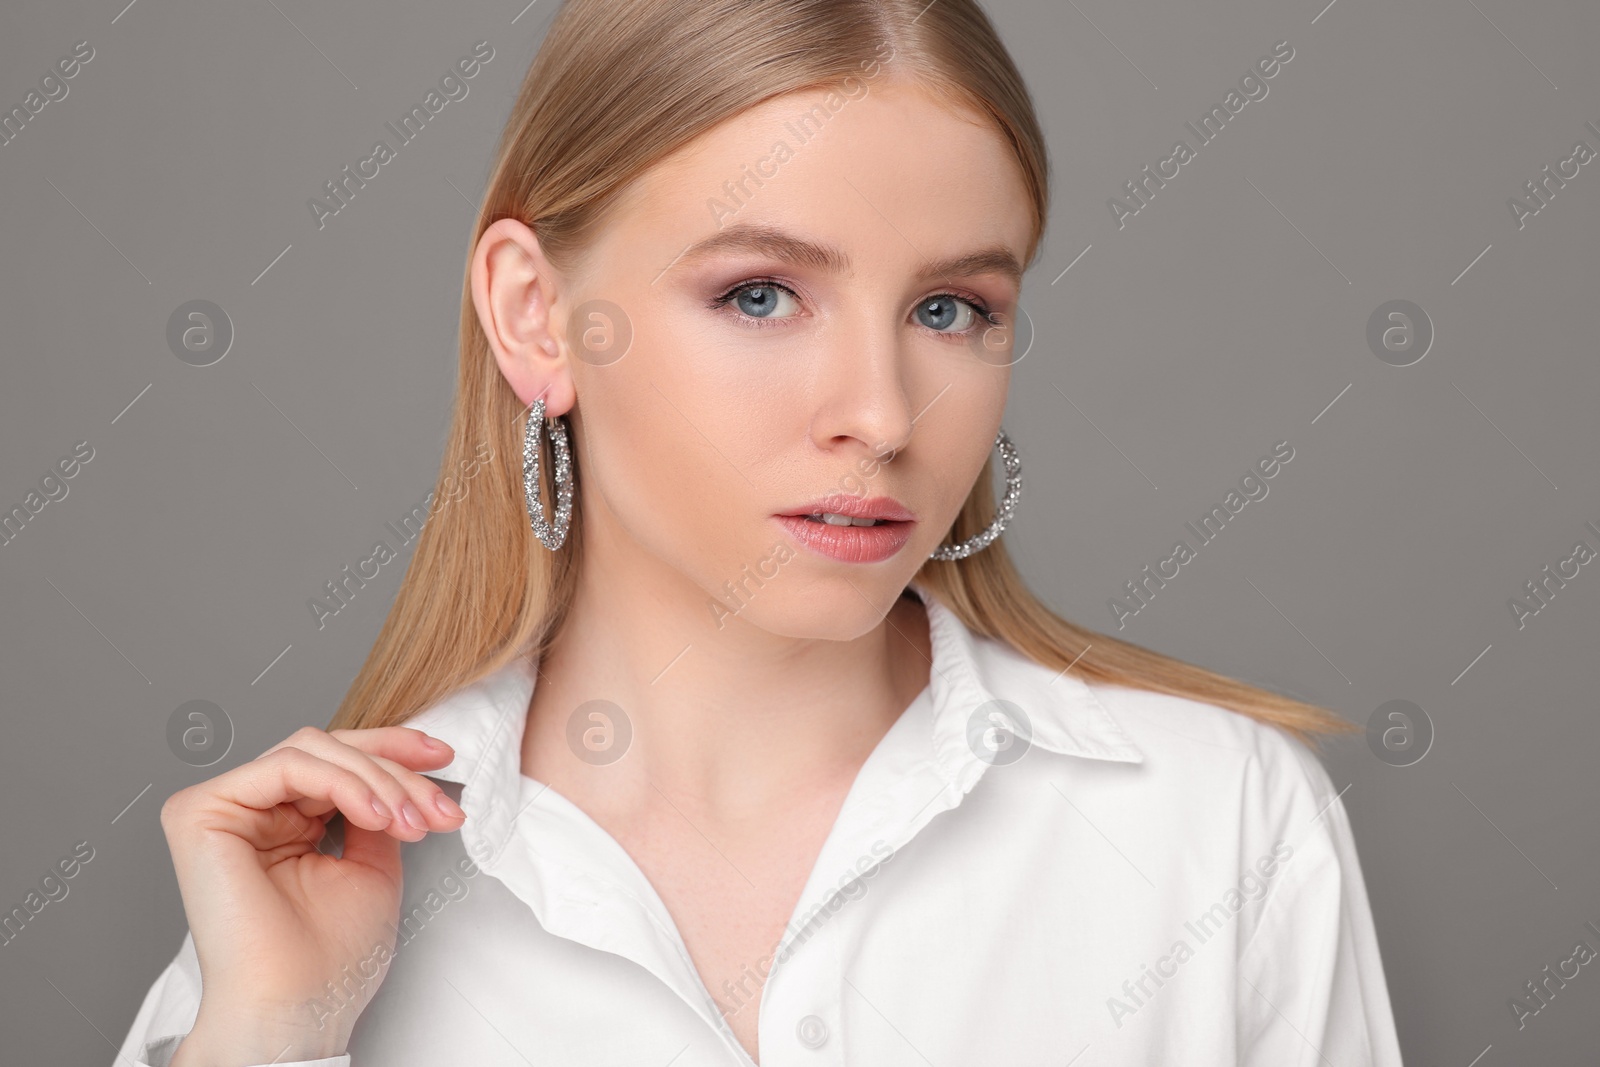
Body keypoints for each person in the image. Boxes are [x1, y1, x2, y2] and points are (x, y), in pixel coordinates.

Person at [116, 0, 1404, 1063]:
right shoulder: (302, 915)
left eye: (952, 310)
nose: (882, 414)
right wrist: (272, 1037)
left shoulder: (1218, 823)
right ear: (534, 316)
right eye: (760, 293)